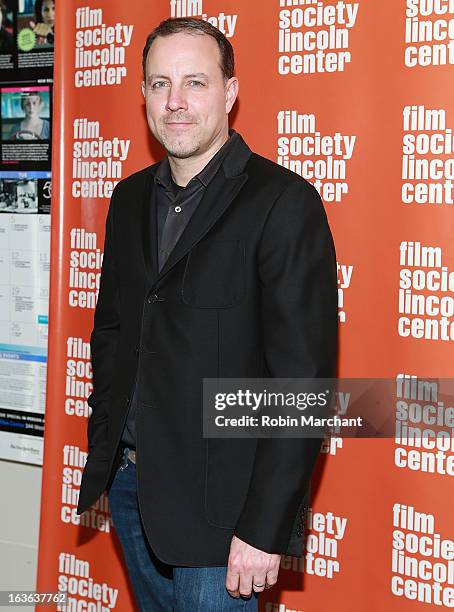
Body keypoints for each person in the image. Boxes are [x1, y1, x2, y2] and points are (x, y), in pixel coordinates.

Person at [76, 16, 338, 612]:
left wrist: (265, 526)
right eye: (158, 83)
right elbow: (114, 333)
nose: (174, 102)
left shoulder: (282, 202)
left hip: (225, 516)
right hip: (130, 489)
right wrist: (106, 443)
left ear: (230, 92)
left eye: (195, 82)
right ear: (142, 93)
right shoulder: (129, 199)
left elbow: (301, 383)